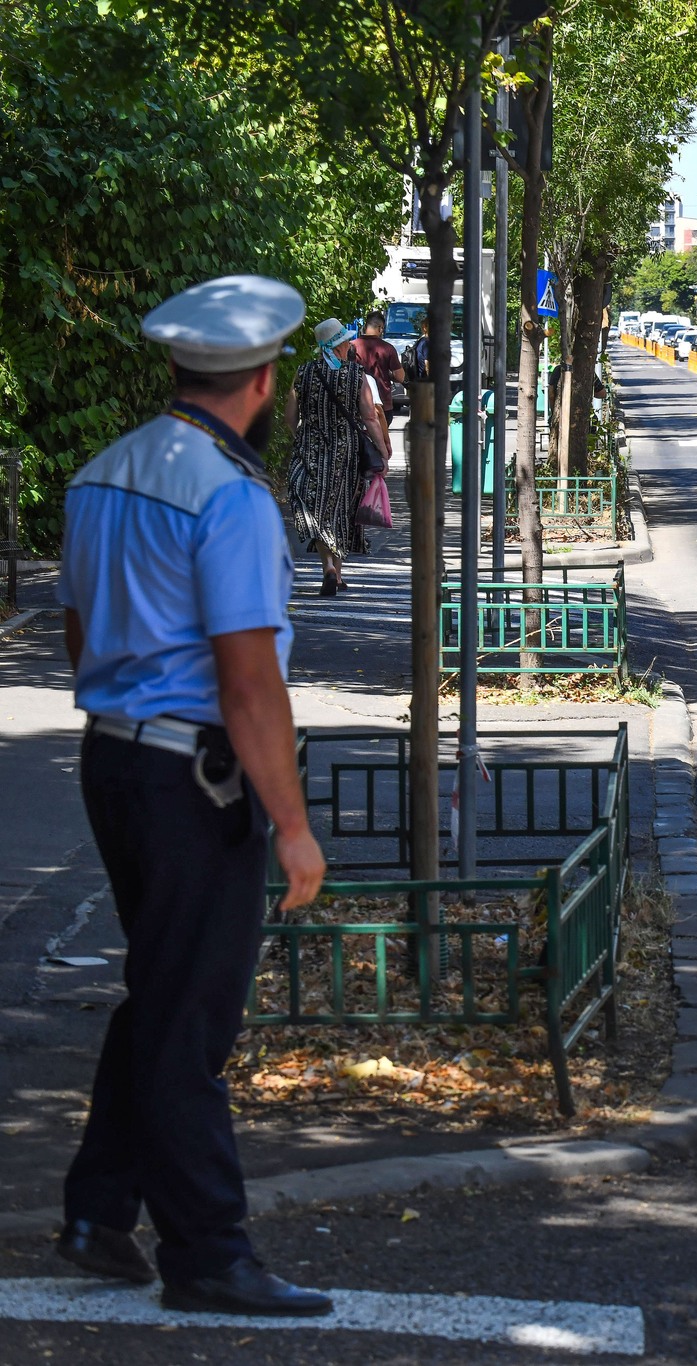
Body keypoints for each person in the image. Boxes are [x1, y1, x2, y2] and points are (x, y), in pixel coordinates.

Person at [55, 274, 332, 1316]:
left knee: (161, 990)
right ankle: (208, 1252)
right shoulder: (228, 494)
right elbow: (248, 678)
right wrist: (293, 826)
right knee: (193, 1020)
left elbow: (81, 630)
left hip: (112, 759)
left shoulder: (101, 473)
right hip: (193, 776)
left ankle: (96, 1211)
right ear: (261, 382)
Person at [283, 318, 390, 596]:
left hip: (310, 449)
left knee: (317, 510)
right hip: (346, 453)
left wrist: (302, 439)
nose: (348, 343)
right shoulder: (356, 375)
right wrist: (381, 451)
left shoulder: (303, 372)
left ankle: (331, 570)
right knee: (341, 510)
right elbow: (369, 416)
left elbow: (289, 417)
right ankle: (335, 573)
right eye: (345, 340)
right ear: (339, 346)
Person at [348, 310, 406, 415]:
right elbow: (400, 377)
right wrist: (388, 375)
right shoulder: (388, 348)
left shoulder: (351, 346)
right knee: (380, 431)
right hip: (382, 404)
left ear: (366, 326)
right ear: (380, 328)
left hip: (355, 402)